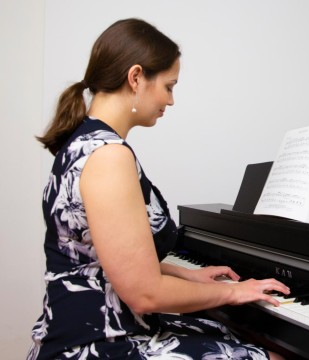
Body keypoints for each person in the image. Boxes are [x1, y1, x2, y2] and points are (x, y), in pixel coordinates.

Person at [28, 18, 290, 360]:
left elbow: (101, 258)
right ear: (136, 77)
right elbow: (145, 295)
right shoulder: (109, 157)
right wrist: (233, 293)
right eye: (169, 85)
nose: (171, 99)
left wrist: (185, 274)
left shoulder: (85, 142)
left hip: (94, 325)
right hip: (97, 342)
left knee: (231, 335)